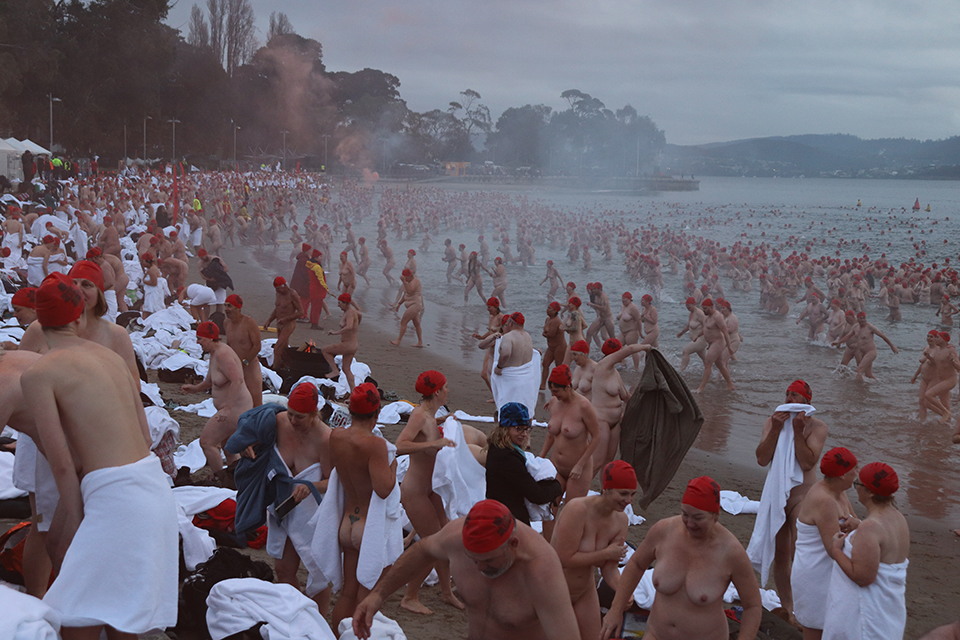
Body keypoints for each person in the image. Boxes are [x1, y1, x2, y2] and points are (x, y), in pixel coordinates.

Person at [21, 273, 178, 639]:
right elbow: (144, 432)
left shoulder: (38, 373)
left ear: (39, 321)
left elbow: (59, 461)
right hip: (152, 487)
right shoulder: (111, 357)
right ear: (79, 318)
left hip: (114, 496)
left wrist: (77, 519)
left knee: (77, 616)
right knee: (121, 616)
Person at [352, 499, 580, 640]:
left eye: (489, 560)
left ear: (513, 544)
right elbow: (422, 550)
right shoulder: (455, 537)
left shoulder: (542, 572)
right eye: (473, 560)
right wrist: (378, 595)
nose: (481, 568)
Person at [600, 476, 762, 640]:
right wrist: (616, 609)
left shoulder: (731, 552)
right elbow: (636, 564)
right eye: (685, 514)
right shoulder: (664, 531)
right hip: (656, 633)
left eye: (698, 518)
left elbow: (753, 606)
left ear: (715, 515)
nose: (689, 523)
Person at [752, 380, 828, 623]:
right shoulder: (773, 421)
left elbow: (807, 463)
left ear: (807, 401)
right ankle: (789, 609)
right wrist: (775, 429)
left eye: (793, 395)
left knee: (800, 551)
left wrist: (796, 431)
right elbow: (762, 459)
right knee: (781, 553)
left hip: (803, 495)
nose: (788, 399)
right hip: (777, 493)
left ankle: (807, 606)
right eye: (786, 395)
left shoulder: (817, 427)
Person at [328, 382, 398, 627]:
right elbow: (383, 489)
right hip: (367, 526)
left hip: (347, 524)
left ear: (350, 409)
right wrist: (393, 466)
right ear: (377, 414)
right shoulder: (375, 445)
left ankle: (338, 635)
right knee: (365, 595)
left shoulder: (335, 436)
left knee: (348, 592)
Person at [394, 370, 464, 614]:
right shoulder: (419, 415)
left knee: (443, 536)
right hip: (414, 491)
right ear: (436, 392)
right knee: (433, 544)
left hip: (430, 488)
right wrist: (433, 443)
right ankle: (410, 596)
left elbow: (426, 430)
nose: (447, 391)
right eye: (445, 387)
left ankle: (446, 592)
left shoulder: (431, 415)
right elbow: (400, 446)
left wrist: (442, 424)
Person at [822, 463, 910, 640]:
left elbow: (863, 577)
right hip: (889, 610)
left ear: (870, 492)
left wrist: (836, 550)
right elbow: (882, 541)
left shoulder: (870, 528)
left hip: (866, 616)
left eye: (858, 484)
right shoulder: (897, 517)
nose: (855, 488)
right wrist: (860, 525)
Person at [551, 460, 633, 640]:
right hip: (555, 589)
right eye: (623, 493)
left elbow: (609, 568)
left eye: (632, 494)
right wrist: (605, 554)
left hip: (584, 591)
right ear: (607, 489)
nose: (628, 500)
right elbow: (564, 558)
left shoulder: (621, 521)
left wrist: (623, 593)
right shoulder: (577, 509)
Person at [792, 447, 860, 640]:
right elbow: (833, 548)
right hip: (814, 575)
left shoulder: (839, 492)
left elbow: (854, 523)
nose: (857, 473)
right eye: (854, 469)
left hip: (830, 572)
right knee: (816, 632)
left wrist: (859, 526)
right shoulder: (825, 500)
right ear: (841, 475)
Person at [181, 321, 254, 485]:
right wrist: (194, 388)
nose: (198, 342)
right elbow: (209, 382)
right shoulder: (214, 354)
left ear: (209, 338)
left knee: (207, 442)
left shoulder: (223, 354)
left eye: (200, 339)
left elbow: (238, 380)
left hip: (236, 408)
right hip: (233, 407)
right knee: (228, 446)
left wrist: (227, 408)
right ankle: (235, 478)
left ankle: (220, 479)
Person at [540, 364, 600, 539]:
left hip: (578, 468)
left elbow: (596, 437)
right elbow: (551, 435)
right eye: (552, 392)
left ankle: (566, 548)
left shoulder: (584, 406)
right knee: (549, 509)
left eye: (556, 391)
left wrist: (580, 465)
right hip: (556, 466)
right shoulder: (553, 402)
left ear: (567, 387)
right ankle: (549, 547)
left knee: (571, 513)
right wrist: (541, 458)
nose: (554, 396)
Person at [484, 402, 563, 525]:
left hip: (498, 513)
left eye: (526, 429)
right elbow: (537, 496)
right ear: (505, 429)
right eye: (518, 429)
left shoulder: (498, 448)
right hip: (508, 520)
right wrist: (557, 486)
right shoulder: (507, 457)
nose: (524, 434)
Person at [591, 340, 650, 471]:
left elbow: (625, 396)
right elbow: (630, 349)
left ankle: (604, 490)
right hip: (601, 420)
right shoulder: (602, 366)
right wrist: (647, 348)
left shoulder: (614, 372)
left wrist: (644, 408)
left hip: (615, 422)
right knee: (598, 461)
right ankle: (582, 489)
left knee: (608, 461)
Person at [835, 311, 899, 381]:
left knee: (859, 370)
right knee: (868, 375)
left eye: (864, 318)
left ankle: (858, 390)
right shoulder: (855, 327)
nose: (862, 320)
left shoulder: (870, 327)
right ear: (858, 319)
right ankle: (879, 384)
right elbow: (848, 336)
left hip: (871, 352)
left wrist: (892, 347)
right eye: (861, 318)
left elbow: (883, 336)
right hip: (862, 352)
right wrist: (838, 342)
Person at [224, 293, 263, 407]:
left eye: (230, 306)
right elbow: (229, 344)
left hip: (250, 367)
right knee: (235, 401)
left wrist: (245, 362)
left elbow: (257, 346)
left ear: (238, 308)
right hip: (235, 367)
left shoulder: (249, 323)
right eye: (225, 305)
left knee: (256, 403)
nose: (226, 309)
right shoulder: (226, 323)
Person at [322, 292, 362, 391]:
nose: (338, 305)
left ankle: (335, 370)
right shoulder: (351, 312)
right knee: (346, 369)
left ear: (345, 303)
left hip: (348, 344)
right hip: (353, 345)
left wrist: (335, 332)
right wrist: (357, 324)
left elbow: (349, 327)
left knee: (325, 350)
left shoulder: (350, 313)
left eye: (340, 303)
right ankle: (354, 392)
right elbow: (360, 315)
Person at [695, 298, 736, 393]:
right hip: (711, 343)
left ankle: (701, 388)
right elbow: (705, 329)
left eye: (705, 308)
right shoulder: (707, 317)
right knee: (720, 365)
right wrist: (697, 336)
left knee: (708, 363)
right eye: (702, 308)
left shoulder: (717, 316)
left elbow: (725, 332)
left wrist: (729, 347)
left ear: (711, 307)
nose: (703, 310)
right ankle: (730, 385)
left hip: (718, 342)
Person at [263, 276, 304, 369]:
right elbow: (277, 308)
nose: (277, 291)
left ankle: (275, 369)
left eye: (278, 289)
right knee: (283, 348)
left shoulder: (292, 294)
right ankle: (287, 364)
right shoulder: (278, 293)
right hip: (279, 323)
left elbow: (301, 312)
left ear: (285, 285)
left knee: (277, 349)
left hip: (288, 324)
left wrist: (286, 319)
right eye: (276, 289)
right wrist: (269, 320)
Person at [473, 297, 505, 392]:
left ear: (496, 307)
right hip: (489, 347)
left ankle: (498, 395)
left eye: (489, 307)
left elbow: (505, 333)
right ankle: (495, 395)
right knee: (484, 374)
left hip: (497, 349)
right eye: (487, 307)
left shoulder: (501, 317)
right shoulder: (491, 317)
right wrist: (481, 337)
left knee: (489, 373)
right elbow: (491, 332)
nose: (488, 309)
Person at [391, 268, 424, 347]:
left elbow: (410, 291)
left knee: (403, 322)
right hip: (410, 304)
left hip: (415, 304)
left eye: (406, 277)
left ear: (410, 276)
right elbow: (405, 295)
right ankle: (420, 342)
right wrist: (399, 304)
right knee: (417, 324)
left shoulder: (416, 281)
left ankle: (398, 340)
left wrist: (404, 282)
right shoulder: (408, 282)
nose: (405, 279)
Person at [540, 301, 567, 390]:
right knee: (545, 364)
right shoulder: (548, 319)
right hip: (551, 346)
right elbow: (547, 332)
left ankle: (562, 384)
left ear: (555, 311)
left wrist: (544, 334)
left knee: (559, 366)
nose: (547, 310)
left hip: (560, 347)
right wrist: (545, 333)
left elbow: (551, 334)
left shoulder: (557, 321)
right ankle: (543, 384)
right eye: (547, 307)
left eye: (550, 308)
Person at [677, 296, 708, 371]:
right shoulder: (691, 313)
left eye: (689, 305)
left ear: (694, 304)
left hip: (701, 339)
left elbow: (706, 326)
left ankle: (681, 371)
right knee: (705, 359)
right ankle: (712, 373)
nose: (687, 307)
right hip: (696, 339)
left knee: (686, 351)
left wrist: (698, 336)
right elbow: (688, 326)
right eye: (686, 305)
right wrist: (681, 333)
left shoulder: (699, 313)